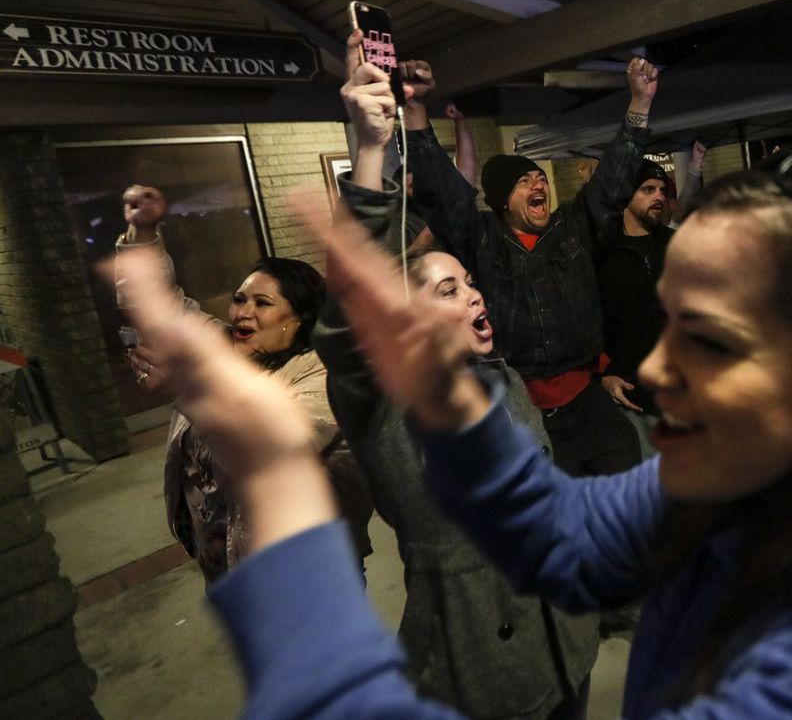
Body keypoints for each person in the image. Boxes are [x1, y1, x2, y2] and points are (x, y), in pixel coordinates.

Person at [121, 143, 792, 718]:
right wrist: (450, 400)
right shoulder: (745, 476)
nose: (652, 368)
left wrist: (285, 511)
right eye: (664, 320)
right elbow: (554, 532)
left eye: (707, 339)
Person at [313, 39, 597, 716]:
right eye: (446, 290)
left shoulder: (502, 378)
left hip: (566, 639)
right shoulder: (387, 404)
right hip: (481, 667)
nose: (474, 296)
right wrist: (371, 145)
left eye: (470, 283)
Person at [396, 54, 659, 478]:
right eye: (524, 181)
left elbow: (613, 181)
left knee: (625, 475)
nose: (538, 184)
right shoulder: (479, 238)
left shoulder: (572, 228)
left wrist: (639, 105)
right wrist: (415, 109)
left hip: (586, 402)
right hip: (521, 410)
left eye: (540, 178)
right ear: (501, 201)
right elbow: (443, 194)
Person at [114, 203, 373, 585]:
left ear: (299, 320)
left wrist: (187, 388)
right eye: (239, 299)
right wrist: (142, 233)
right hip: (230, 565)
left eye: (262, 303)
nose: (242, 313)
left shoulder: (323, 375)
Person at [596, 159, 672, 432]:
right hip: (631, 394)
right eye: (648, 189)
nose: (659, 197)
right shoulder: (601, 252)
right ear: (625, 195)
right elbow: (586, 319)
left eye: (662, 191)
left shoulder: (676, 243)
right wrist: (601, 376)